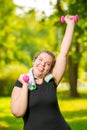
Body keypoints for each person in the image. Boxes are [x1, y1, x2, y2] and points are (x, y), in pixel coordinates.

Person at [10, 15, 76, 130]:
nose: (43, 64)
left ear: (50, 69)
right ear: (34, 61)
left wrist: (70, 24)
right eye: (40, 60)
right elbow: (17, 113)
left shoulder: (52, 80)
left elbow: (63, 52)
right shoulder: (21, 82)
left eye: (48, 63)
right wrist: (25, 84)